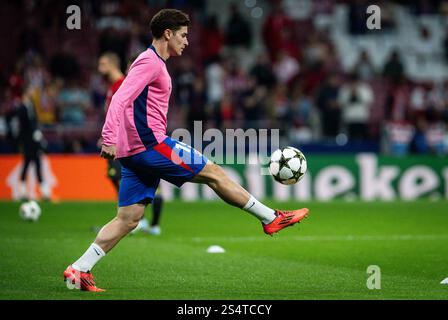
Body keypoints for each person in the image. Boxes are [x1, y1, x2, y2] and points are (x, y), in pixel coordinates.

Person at [63, 9, 309, 292]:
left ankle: (79, 269)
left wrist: (120, 140)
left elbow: (130, 103)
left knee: (128, 219)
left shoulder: (152, 63)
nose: (187, 42)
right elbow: (121, 98)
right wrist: (108, 136)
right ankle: (270, 217)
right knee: (214, 172)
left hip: (134, 152)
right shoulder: (150, 62)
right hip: (151, 145)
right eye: (183, 35)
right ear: (167, 34)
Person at [96, 52, 164, 235]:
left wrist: (114, 137)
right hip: (129, 140)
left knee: (133, 178)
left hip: (132, 142)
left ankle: (135, 220)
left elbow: (129, 114)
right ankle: (134, 220)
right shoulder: (116, 85)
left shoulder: (124, 85)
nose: (99, 68)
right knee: (135, 178)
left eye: (103, 63)